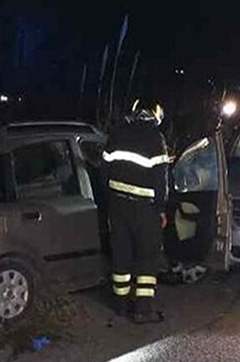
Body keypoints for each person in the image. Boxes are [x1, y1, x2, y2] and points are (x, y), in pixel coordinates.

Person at [102, 98, 169, 324]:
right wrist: (161, 209)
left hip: (117, 206)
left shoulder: (117, 134)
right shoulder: (155, 139)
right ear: (155, 116)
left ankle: (120, 306)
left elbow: (104, 170)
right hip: (145, 210)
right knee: (147, 259)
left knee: (121, 255)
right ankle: (143, 310)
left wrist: (108, 202)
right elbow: (161, 180)